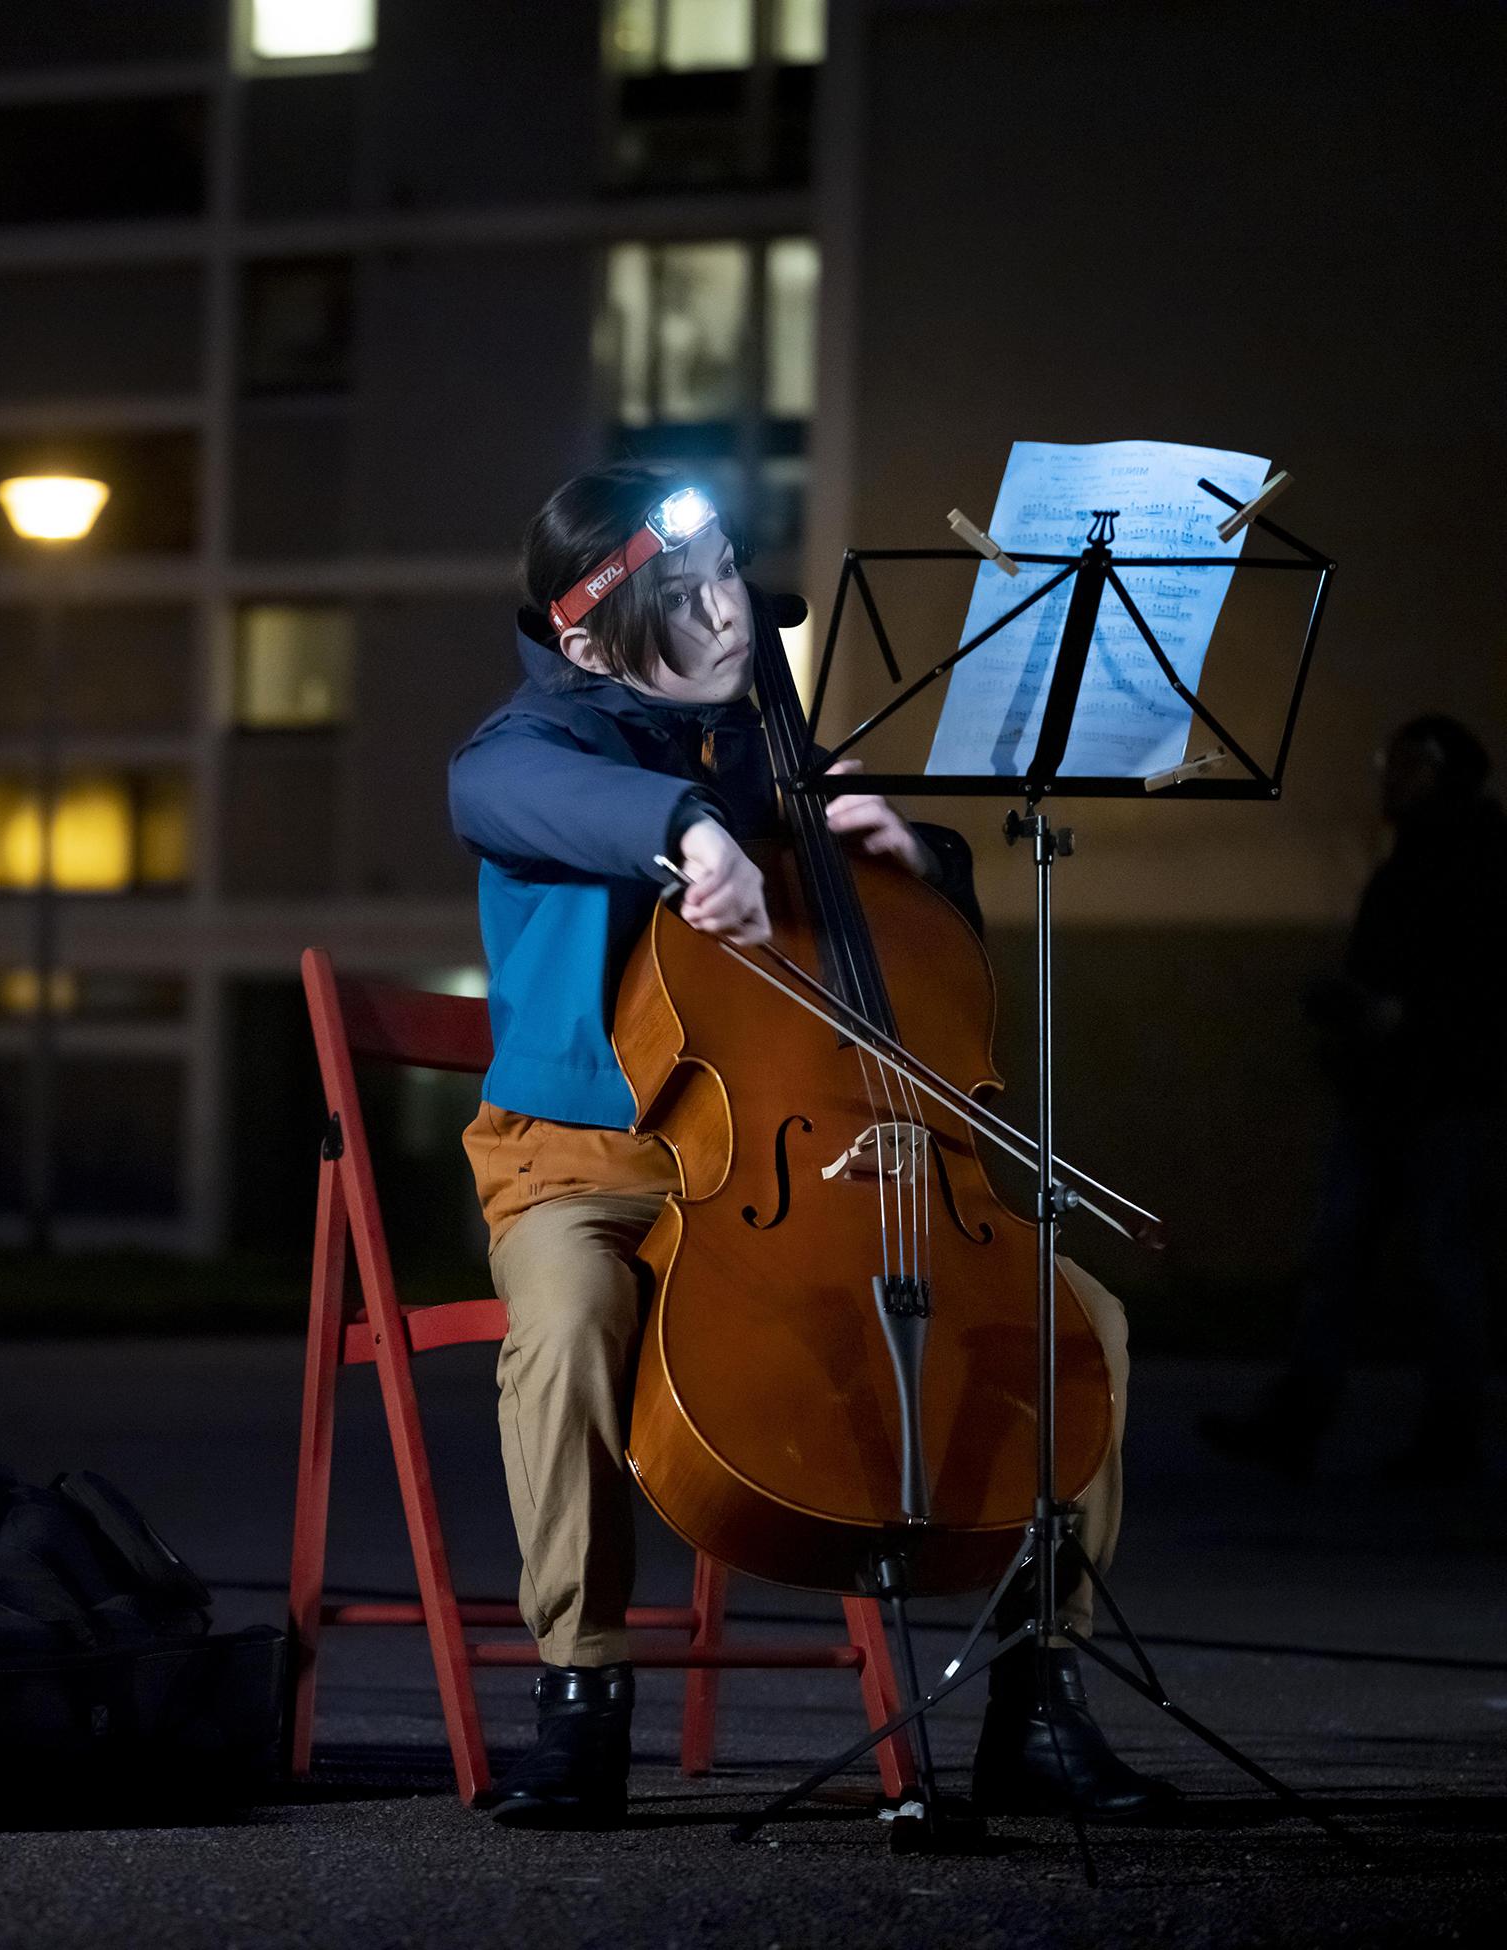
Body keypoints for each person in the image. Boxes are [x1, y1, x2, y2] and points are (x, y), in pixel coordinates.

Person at [445, 460, 1176, 1829]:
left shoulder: (775, 757)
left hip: (815, 1172)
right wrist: (684, 831)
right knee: (567, 1322)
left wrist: (916, 854)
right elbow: (510, 797)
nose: (730, 616)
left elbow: (911, 975)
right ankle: (581, 1692)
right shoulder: (529, 745)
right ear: (593, 638)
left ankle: (1039, 1692)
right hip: (583, 1155)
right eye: (689, 596)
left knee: (1085, 1322)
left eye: (729, 581)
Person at [1201, 715, 1503, 1485]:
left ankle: (1446, 1436)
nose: (1389, 782)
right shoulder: (1417, 861)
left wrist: (1394, 1016)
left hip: (1446, 1095)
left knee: (1444, 1266)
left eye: (1408, 767)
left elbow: (1472, 988)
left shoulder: (1473, 863)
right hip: (1390, 1091)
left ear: (1447, 776)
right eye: (1389, 763)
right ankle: (1308, 1417)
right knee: (1346, 1261)